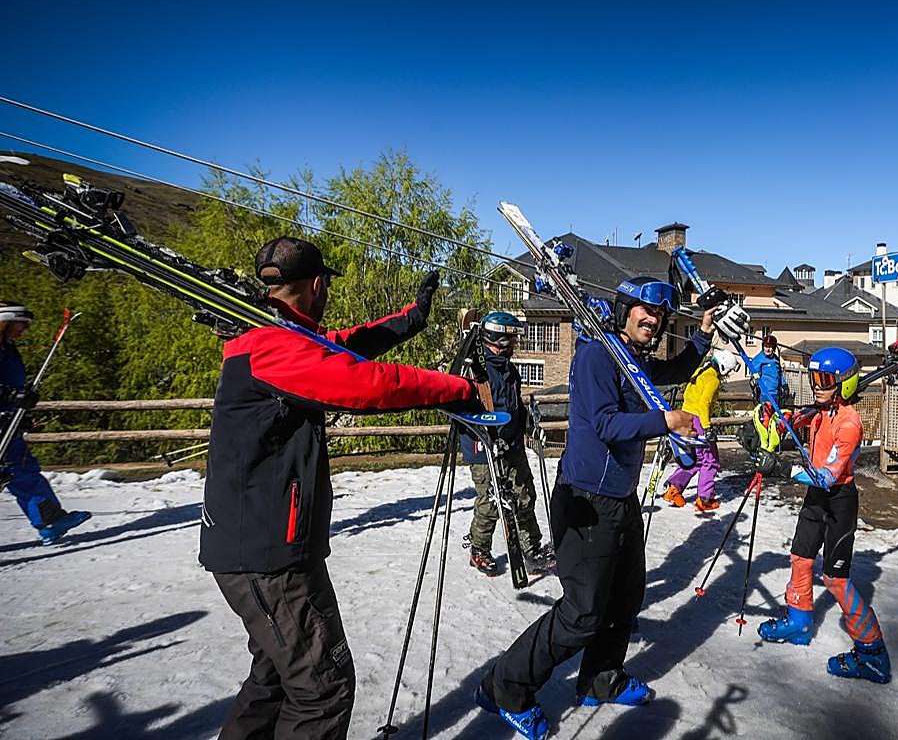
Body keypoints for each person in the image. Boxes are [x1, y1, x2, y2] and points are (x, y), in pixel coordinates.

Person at [199, 237, 481, 740]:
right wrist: (457, 387)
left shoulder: (275, 337)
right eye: (325, 284)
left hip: (267, 545)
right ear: (314, 284)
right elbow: (367, 383)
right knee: (322, 687)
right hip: (267, 556)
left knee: (274, 676)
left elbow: (345, 344)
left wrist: (414, 316)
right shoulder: (271, 348)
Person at [475, 276, 749, 740]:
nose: (654, 320)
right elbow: (604, 422)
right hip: (585, 500)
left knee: (624, 598)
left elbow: (664, 374)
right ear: (624, 310)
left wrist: (702, 335)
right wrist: (664, 421)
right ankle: (505, 687)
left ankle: (600, 678)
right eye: (646, 311)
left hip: (619, 496)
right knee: (582, 613)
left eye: (660, 314)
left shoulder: (633, 357)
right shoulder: (597, 354)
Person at [757, 346, 891, 684]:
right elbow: (789, 420)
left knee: (835, 579)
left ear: (844, 385)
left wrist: (783, 468)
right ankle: (800, 622)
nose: (817, 386)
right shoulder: (819, 412)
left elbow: (828, 476)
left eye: (825, 380)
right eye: (814, 378)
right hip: (817, 499)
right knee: (800, 558)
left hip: (839, 501)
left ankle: (872, 653)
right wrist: (769, 418)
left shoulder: (850, 422)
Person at [463, 310, 555, 576]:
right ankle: (479, 549)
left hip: (511, 443)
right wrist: (484, 436)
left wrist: (527, 426)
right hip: (484, 448)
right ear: (498, 339)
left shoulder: (510, 370)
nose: (513, 346)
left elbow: (514, 405)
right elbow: (462, 412)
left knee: (524, 494)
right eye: (510, 340)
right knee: (491, 501)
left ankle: (531, 548)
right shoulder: (475, 370)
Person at [0, 303, 92, 545]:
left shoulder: (7, 349)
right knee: (18, 471)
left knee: (21, 471)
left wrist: (20, 414)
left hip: (7, 424)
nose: (25, 329)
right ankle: (49, 520)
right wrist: (10, 396)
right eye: (21, 323)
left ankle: (49, 520)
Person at [661, 348, 740, 512]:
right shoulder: (713, 380)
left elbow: (688, 392)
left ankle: (673, 490)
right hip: (699, 420)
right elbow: (704, 404)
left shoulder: (700, 371)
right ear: (724, 367)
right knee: (710, 460)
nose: (727, 375)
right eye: (729, 371)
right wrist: (707, 427)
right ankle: (705, 498)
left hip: (687, 416)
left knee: (694, 459)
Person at [750, 333, 789, 406]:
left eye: (770, 347)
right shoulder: (759, 359)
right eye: (766, 346)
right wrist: (755, 385)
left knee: (775, 416)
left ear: (774, 348)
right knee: (766, 415)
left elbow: (779, 374)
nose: (768, 349)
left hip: (776, 393)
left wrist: (784, 385)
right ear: (763, 347)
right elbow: (755, 374)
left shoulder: (776, 359)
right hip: (765, 394)